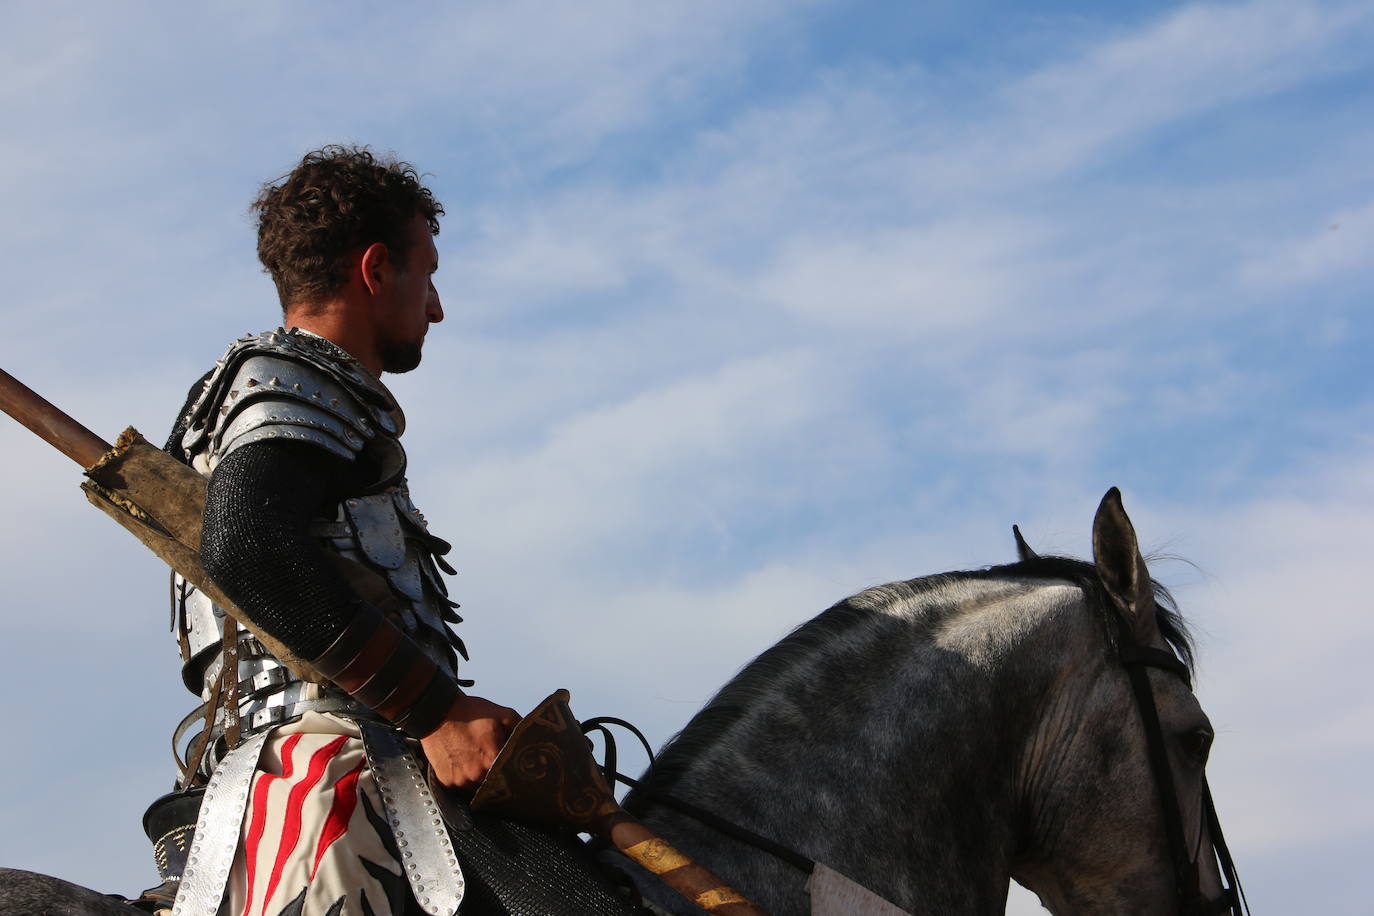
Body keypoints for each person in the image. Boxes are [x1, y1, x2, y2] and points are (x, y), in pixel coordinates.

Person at [139, 147, 636, 916]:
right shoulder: (296, 379)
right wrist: (436, 711)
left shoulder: (270, 394)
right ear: (376, 270)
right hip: (336, 760)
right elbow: (247, 545)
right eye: (428, 274)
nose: (435, 307)